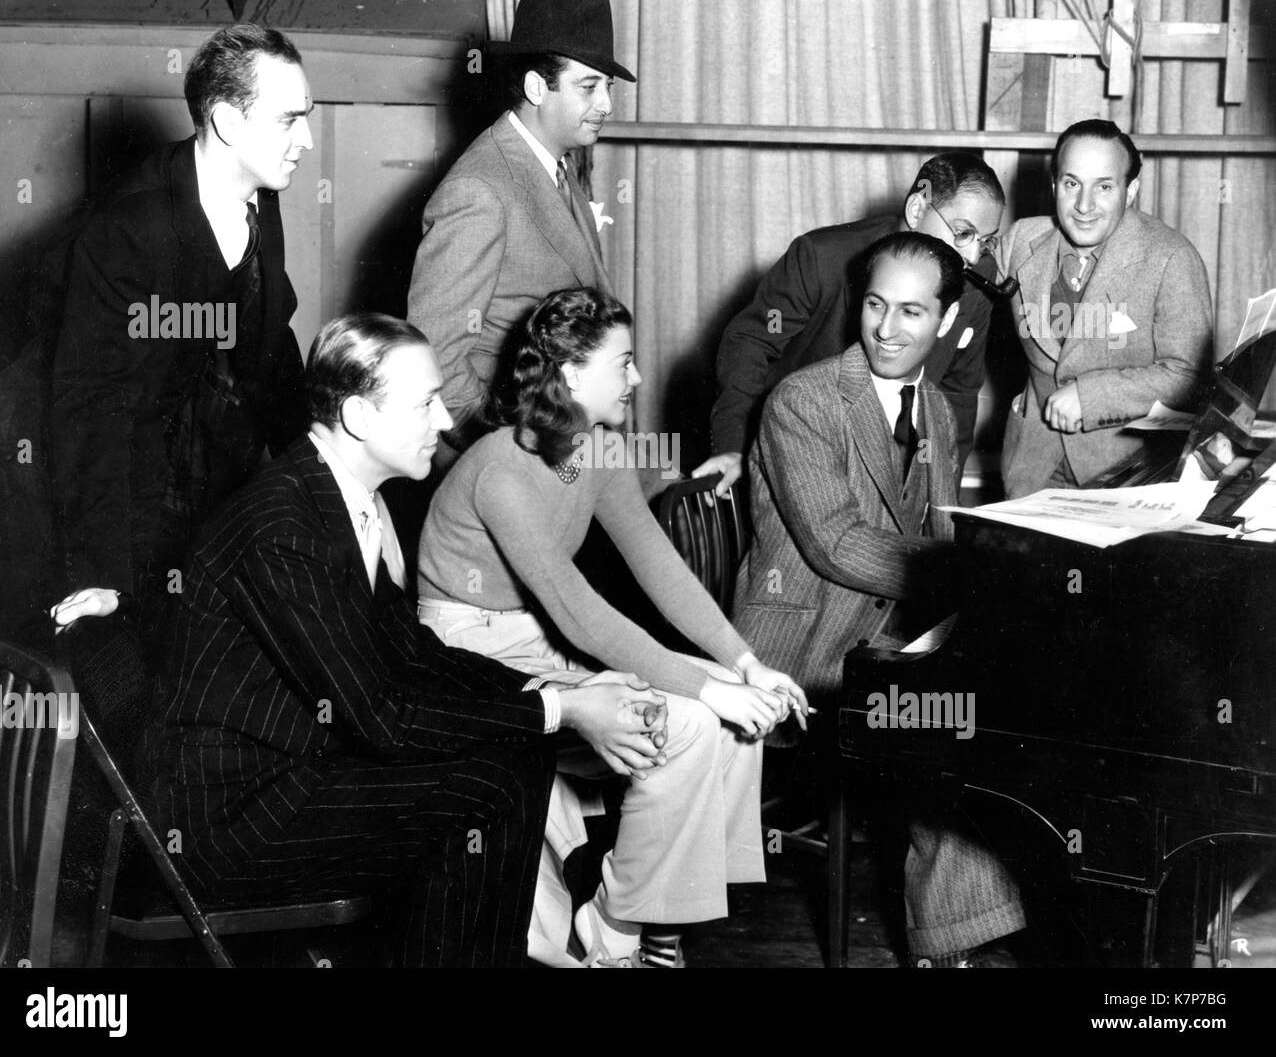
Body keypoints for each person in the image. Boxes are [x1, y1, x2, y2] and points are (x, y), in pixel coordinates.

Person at [144, 313, 667, 967]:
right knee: (488, 788)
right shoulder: (286, 524)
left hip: (297, 772)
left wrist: (564, 688)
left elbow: (415, 655)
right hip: (230, 819)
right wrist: (565, 711)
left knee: (517, 756)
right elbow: (380, 719)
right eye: (425, 402)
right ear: (360, 416)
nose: (446, 422)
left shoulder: (348, 497)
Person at [417, 286, 808, 967]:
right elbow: (577, 609)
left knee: (742, 709)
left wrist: (743, 664)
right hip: (463, 650)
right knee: (687, 717)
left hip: (533, 634)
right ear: (570, 374)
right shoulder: (499, 468)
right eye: (622, 362)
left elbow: (658, 564)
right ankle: (615, 926)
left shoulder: (595, 447)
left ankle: (658, 918)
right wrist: (706, 689)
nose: (635, 377)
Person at [734, 231, 1026, 967]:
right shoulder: (803, 399)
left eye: (911, 313)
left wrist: (988, 577)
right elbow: (836, 542)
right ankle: (947, 945)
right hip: (805, 651)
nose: (887, 330)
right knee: (956, 725)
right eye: (873, 306)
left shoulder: (934, 408)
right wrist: (969, 579)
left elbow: (934, 529)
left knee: (1007, 701)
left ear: (947, 324)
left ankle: (964, 929)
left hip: (885, 638)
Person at [49, 24, 315, 739]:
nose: (306, 141)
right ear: (227, 120)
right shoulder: (127, 227)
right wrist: (104, 575)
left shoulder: (265, 194)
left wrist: (322, 462)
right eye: (291, 119)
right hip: (121, 502)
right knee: (142, 728)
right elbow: (89, 409)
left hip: (210, 493)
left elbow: (268, 336)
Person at [405, 0, 633, 468]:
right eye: (589, 87)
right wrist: (505, 449)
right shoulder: (480, 190)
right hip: (511, 459)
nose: (607, 104)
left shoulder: (555, 166)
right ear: (535, 89)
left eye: (608, 86)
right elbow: (435, 353)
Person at [698, 153, 1007, 493]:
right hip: (801, 457)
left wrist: (943, 494)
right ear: (917, 209)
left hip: (894, 472)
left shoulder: (976, 281)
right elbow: (751, 343)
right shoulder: (822, 258)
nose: (974, 256)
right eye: (963, 233)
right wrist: (735, 445)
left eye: (986, 241)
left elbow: (958, 391)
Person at [999, 118, 1213, 497]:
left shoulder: (1171, 258)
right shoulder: (1021, 240)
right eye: (1071, 184)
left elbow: (1190, 376)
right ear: (1054, 185)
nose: (1084, 205)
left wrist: (1092, 396)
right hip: (1031, 469)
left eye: (1104, 186)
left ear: (1130, 191)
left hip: (1128, 475)